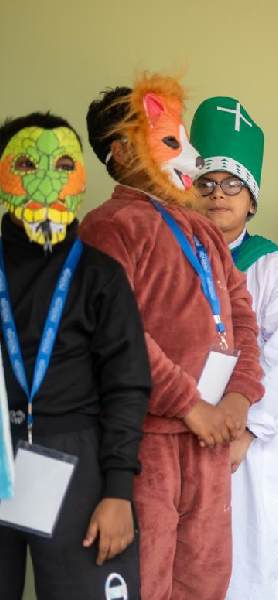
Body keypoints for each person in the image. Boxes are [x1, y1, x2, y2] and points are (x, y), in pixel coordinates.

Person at [81, 74, 264, 600]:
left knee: (207, 574)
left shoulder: (201, 227)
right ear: (120, 151)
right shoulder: (108, 226)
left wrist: (239, 395)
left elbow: (243, 317)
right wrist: (190, 405)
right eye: (169, 139)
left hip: (211, 437)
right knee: (147, 575)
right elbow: (121, 336)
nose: (190, 152)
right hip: (151, 440)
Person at [0, 112, 150, 600]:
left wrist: (117, 491)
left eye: (65, 163)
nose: (47, 179)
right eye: (26, 163)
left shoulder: (99, 276)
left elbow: (127, 385)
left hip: (77, 458)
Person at [190, 96, 278, 599]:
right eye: (207, 183)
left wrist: (248, 432)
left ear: (252, 200)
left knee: (255, 554)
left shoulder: (270, 267)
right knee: (193, 554)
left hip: (250, 442)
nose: (219, 195)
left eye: (232, 185)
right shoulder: (175, 258)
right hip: (188, 428)